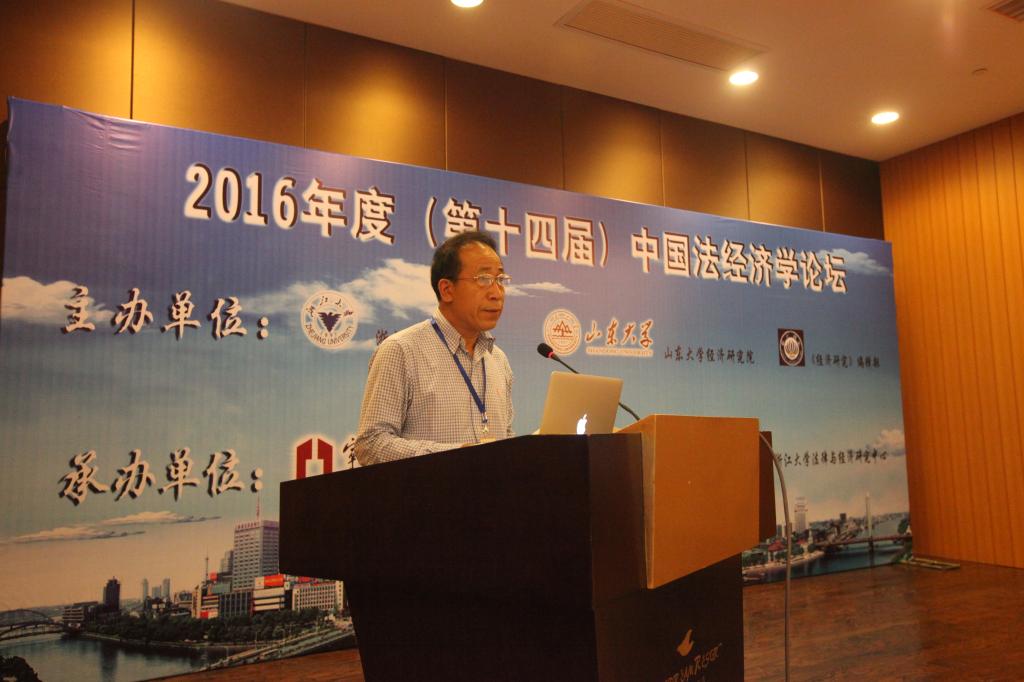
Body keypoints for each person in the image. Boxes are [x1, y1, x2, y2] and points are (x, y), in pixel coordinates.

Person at [354, 231, 514, 465]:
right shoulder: (401, 350)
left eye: (500, 279)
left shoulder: (498, 360)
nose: (496, 293)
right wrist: (456, 456)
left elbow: (506, 436)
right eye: (483, 279)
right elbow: (371, 443)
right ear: (447, 290)